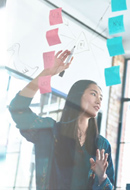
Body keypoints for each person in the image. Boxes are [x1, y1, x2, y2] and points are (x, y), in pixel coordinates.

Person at [9, 50, 115, 190]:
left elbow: (111, 186)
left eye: (101, 98)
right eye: (94, 94)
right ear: (77, 96)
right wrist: (46, 73)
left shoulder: (102, 145)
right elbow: (18, 108)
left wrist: (102, 177)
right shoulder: (50, 130)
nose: (98, 101)